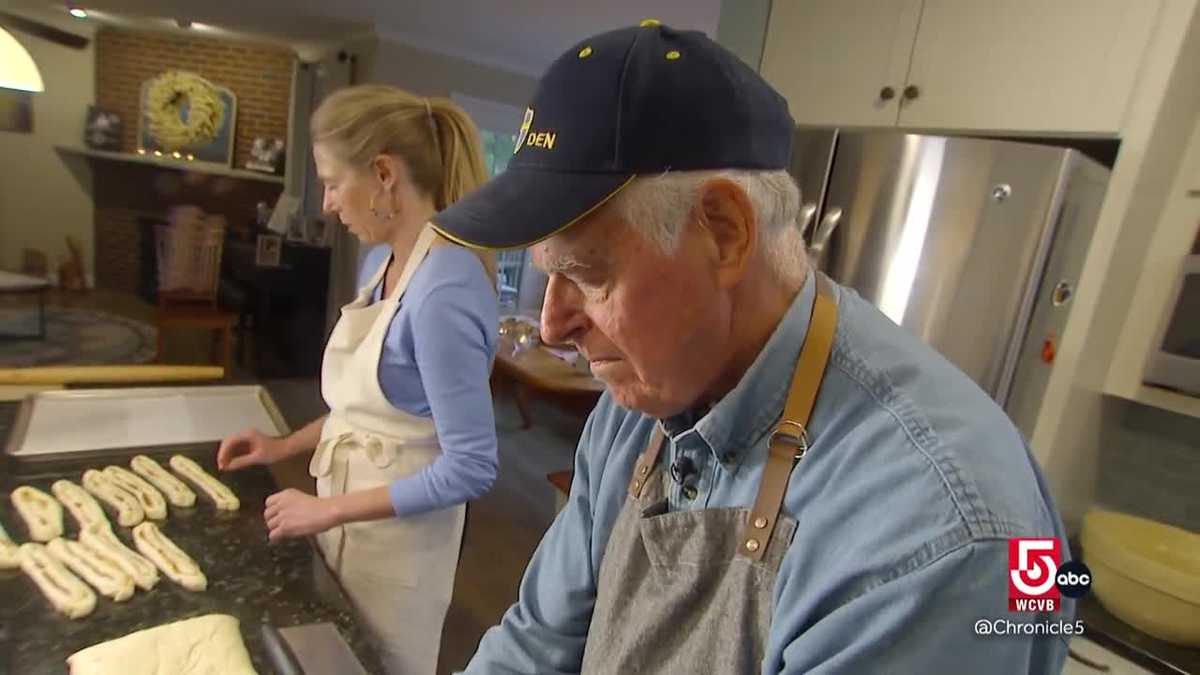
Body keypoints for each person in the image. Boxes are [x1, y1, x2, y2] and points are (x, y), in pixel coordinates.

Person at [431, 22, 1073, 674]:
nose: (551, 325)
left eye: (588, 274)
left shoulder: (942, 535)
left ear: (726, 232)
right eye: (546, 273)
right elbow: (536, 644)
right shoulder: (641, 403)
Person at [217, 85, 500, 675]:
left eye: (332, 181)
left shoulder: (446, 287)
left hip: (401, 546)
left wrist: (330, 512)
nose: (326, 203)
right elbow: (366, 409)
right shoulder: (381, 264)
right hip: (346, 513)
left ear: (383, 175)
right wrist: (282, 446)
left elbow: (472, 466)